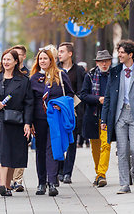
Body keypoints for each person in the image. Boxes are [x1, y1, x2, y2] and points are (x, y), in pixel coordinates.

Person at [101, 40, 134, 194]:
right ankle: (124, 184)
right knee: (123, 150)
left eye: (122, 52)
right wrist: (104, 119)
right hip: (119, 116)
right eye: (118, 52)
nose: (119, 55)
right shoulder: (114, 72)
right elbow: (108, 98)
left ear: (130, 55)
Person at [0, 49, 33, 196]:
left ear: (16, 61)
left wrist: (28, 123)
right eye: (4, 59)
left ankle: (8, 185)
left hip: (16, 119)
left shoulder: (23, 81)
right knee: (2, 148)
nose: (6, 62)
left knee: (13, 151)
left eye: (9, 59)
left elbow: (29, 103)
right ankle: (3, 185)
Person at [30, 48, 74, 197]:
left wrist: (60, 104)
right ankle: (41, 182)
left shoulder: (60, 76)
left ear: (51, 60)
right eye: (40, 59)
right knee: (40, 150)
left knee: (53, 148)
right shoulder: (34, 78)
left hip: (55, 118)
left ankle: (52, 182)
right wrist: (29, 122)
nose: (42, 61)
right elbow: (29, 101)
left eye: (45, 59)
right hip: (39, 119)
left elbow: (70, 95)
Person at [80, 50, 113, 187]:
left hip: (108, 116)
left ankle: (101, 174)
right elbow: (83, 95)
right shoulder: (90, 75)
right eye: (101, 61)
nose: (104, 64)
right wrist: (98, 99)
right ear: (97, 62)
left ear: (110, 62)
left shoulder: (115, 75)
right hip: (93, 115)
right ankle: (98, 172)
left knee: (106, 144)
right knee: (95, 146)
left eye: (106, 61)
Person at [57, 42, 85, 184]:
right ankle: (59, 170)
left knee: (72, 143)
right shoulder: (55, 69)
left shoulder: (79, 70)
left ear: (70, 53)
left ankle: (68, 173)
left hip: (73, 112)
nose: (59, 53)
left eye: (62, 51)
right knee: (59, 141)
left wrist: (70, 105)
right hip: (57, 111)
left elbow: (81, 92)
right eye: (58, 51)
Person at [9, 45, 29, 191]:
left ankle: (18, 179)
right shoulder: (5, 74)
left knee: (21, 147)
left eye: (20, 54)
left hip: (23, 115)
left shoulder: (28, 74)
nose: (18, 56)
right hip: (8, 116)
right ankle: (9, 178)